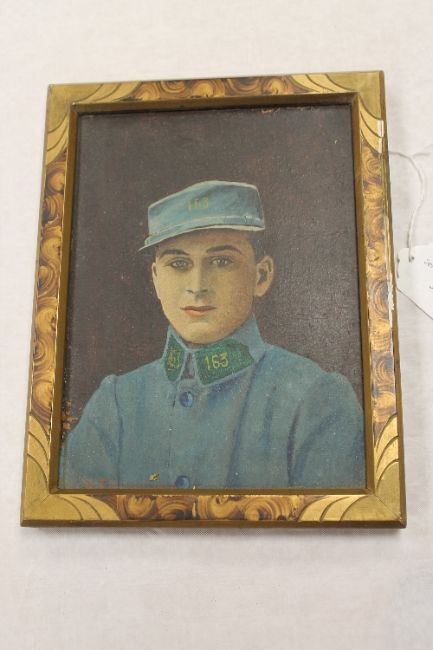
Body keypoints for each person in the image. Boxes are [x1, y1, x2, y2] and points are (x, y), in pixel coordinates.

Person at [60, 180, 365, 489]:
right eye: (178, 264)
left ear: (261, 276)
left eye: (222, 261)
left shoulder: (316, 399)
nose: (197, 286)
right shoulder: (115, 405)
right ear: (156, 279)